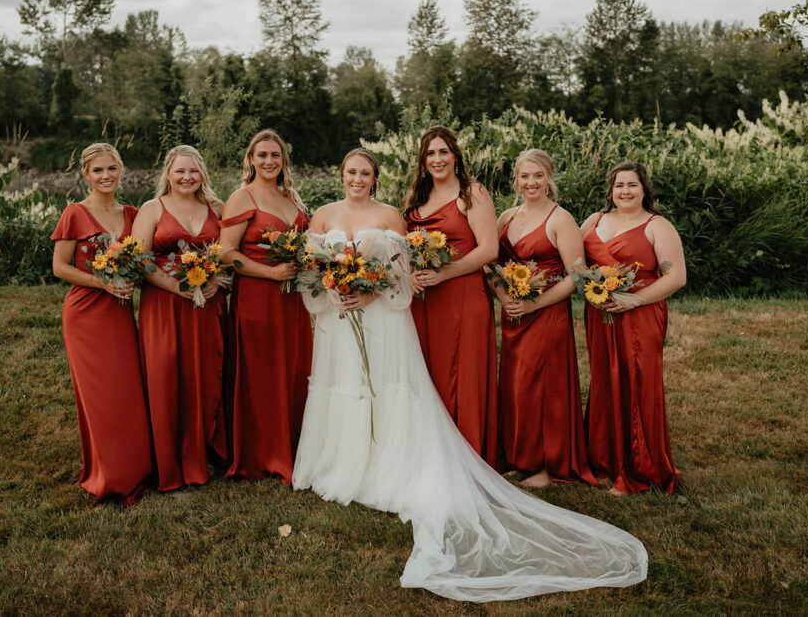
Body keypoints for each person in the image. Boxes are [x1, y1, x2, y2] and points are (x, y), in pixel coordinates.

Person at [293, 149, 647, 602]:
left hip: (412, 307)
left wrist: (380, 288)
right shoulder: (339, 212)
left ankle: (532, 457)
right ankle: (348, 457)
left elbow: (413, 264)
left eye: (365, 172)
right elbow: (321, 265)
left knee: (416, 385)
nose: (357, 178)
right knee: (364, 386)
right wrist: (336, 287)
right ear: (341, 175)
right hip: (353, 316)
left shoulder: (420, 209)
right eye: (351, 172)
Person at [50, 142, 153, 504]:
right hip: (85, 314)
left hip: (120, 313)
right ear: (86, 175)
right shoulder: (75, 213)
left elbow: (143, 259)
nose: (106, 176)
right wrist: (101, 281)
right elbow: (59, 266)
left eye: (112, 168)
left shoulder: (133, 214)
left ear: (120, 169)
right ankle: (107, 475)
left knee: (127, 390)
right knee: (98, 395)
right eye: (98, 170)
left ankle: (136, 467)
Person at [580, 161, 687, 495]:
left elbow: (676, 277)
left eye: (632, 185)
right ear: (610, 190)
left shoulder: (657, 226)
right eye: (619, 185)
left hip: (641, 316)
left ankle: (640, 469)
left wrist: (634, 300)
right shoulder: (593, 221)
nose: (625, 191)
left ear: (644, 190)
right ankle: (603, 460)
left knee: (637, 381)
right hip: (600, 313)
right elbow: (577, 265)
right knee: (604, 380)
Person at [492, 149, 597, 488]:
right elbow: (490, 266)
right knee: (516, 387)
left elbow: (577, 276)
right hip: (514, 315)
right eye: (525, 176)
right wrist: (506, 298)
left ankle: (549, 466)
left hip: (547, 314)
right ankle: (521, 458)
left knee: (544, 388)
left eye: (538, 175)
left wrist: (535, 305)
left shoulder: (559, 219)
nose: (531, 182)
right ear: (516, 179)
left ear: (549, 177)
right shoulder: (506, 217)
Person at [133, 145, 228, 491]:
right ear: (168, 175)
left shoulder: (217, 209)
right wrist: (176, 286)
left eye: (193, 171)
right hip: (164, 306)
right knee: (166, 375)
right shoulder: (151, 209)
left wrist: (217, 280)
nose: (186, 178)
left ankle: (202, 453)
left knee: (204, 376)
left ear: (202, 174)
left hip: (206, 308)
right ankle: (168, 460)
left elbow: (230, 255)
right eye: (179, 172)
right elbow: (140, 260)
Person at [220, 130, 312, 485]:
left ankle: (294, 445)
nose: (269, 161)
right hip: (258, 296)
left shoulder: (291, 197)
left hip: (293, 299)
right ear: (251, 159)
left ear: (283, 160)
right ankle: (262, 453)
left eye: (276, 155)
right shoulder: (242, 198)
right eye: (262, 155)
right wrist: (270, 273)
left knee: (293, 368)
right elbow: (226, 253)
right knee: (261, 372)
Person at [404, 126, 499, 468]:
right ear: (422, 160)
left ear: (456, 155)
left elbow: (489, 249)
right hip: (424, 301)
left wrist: (443, 273)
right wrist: (412, 275)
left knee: (462, 374)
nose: (437, 159)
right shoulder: (416, 199)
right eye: (430, 153)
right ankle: (432, 456)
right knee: (429, 373)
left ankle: (468, 459)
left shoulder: (472, 194)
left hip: (462, 296)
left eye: (443, 151)